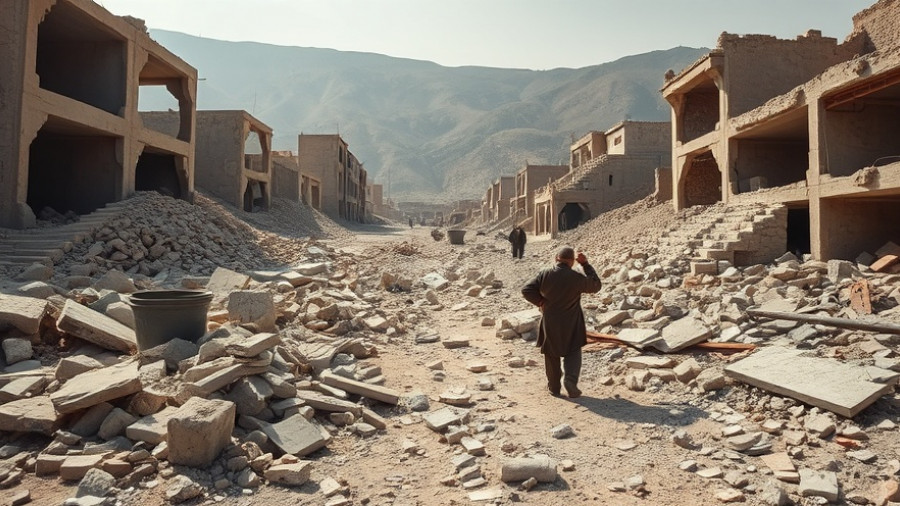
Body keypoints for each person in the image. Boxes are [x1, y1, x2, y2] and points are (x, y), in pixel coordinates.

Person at [521, 246, 602, 398]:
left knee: (551, 353)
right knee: (573, 349)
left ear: (556, 258)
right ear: (572, 262)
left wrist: (541, 301)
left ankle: (554, 388)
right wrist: (585, 264)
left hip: (550, 320)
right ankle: (570, 381)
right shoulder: (576, 278)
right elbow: (596, 285)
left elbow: (526, 290)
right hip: (572, 321)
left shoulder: (545, 274)